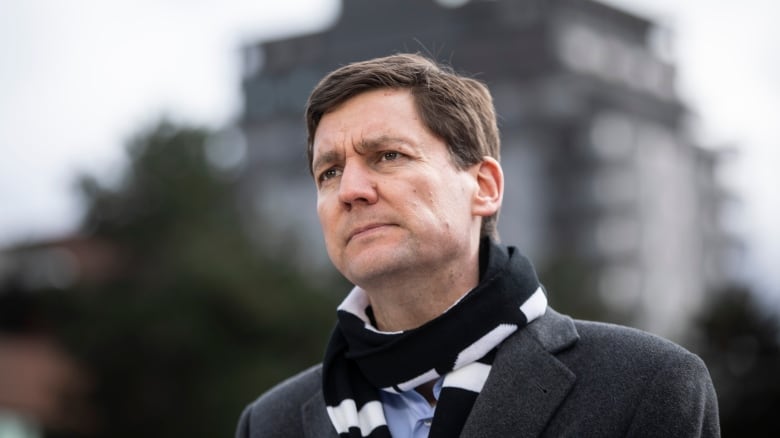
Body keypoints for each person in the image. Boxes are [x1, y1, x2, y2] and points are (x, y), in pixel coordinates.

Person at [236, 53, 720, 438]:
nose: (350, 191)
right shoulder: (270, 424)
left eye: (387, 155)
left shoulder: (646, 385)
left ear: (484, 186)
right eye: (330, 172)